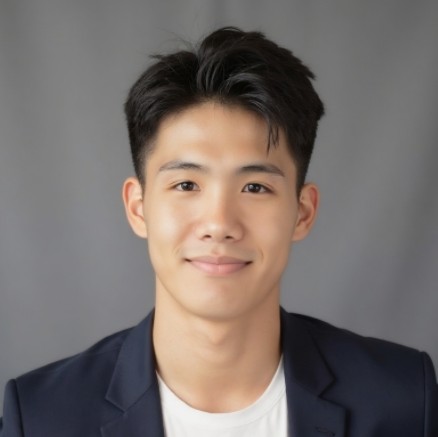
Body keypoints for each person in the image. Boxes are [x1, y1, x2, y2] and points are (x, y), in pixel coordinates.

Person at [0, 26, 437, 437]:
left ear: (302, 213)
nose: (219, 224)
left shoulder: (404, 400)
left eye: (255, 187)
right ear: (138, 207)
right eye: (186, 185)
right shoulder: (41, 416)